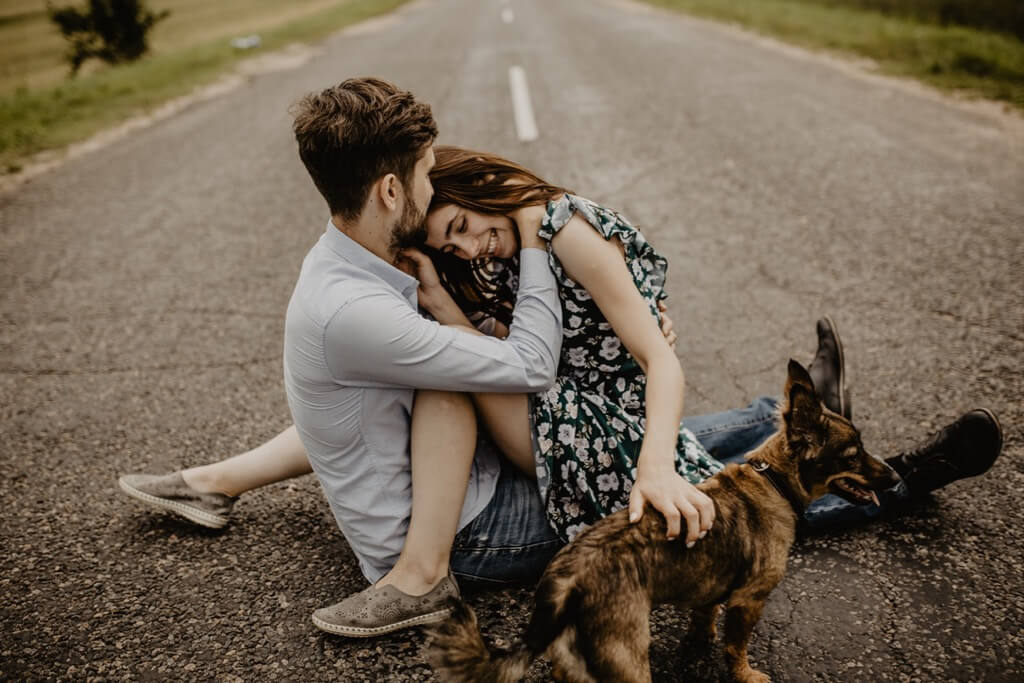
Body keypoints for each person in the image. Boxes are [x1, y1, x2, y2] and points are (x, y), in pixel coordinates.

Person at [119, 80, 1004, 638]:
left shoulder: (459, 250)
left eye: (458, 218)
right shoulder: (390, 289)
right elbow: (463, 383)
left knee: (705, 486)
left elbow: (631, 363)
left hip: (541, 446)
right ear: (391, 192)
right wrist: (452, 295)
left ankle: (870, 463)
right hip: (520, 474)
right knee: (720, 496)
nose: (460, 246)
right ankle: (831, 441)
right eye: (432, 207)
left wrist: (216, 478)